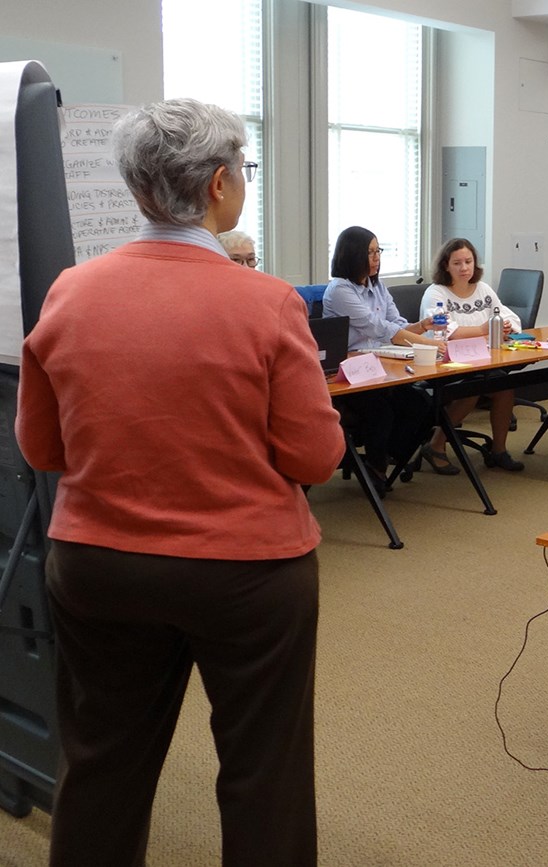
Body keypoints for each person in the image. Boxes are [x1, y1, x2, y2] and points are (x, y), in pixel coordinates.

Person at [15, 98, 343, 867]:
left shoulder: (69, 291)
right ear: (222, 184)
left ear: (137, 190)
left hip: (99, 567)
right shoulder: (267, 302)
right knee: (265, 777)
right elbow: (316, 458)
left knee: (101, 764)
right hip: (248, 576)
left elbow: (41, 445)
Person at [323, 226, 438, 485]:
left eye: (378, 251)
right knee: (381, 412)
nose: (376, 259)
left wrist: (421, 327)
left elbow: (395, 322)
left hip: (383, 365)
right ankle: (375, 467)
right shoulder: (340, 289)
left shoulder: (377, 285)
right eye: (370, 253)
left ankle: (387, 458)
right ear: (352, 255)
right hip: (351, 372)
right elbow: (378, 327)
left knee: (421, 404)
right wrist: (424, 344)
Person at [418, 238, 526, 472]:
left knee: (504, 387)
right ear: (446, 266)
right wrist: (482, 330)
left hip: (481, 360)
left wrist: (504, 326)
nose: (464, 268)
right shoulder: (436, 293)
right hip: (443, 364)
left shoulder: (484, 290)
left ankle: (499, 450)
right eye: (457, 263)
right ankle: (436, 444)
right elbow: (445, 331)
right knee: (472, 389)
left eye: (468, 261)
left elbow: (509, 317)